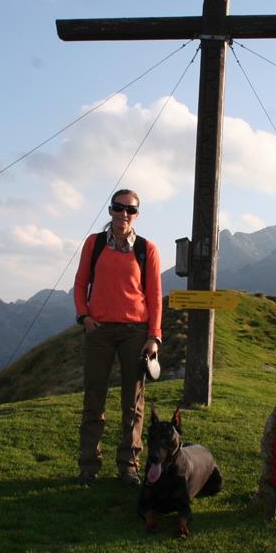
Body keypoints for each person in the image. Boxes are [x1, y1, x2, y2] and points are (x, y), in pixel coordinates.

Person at [73, 189, 162, 486]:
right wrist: (84, 316)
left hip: (135, 332)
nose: (124, 214)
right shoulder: (94, 243)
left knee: (133, 403)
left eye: (131, 210)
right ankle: (89, 465)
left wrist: (154, 336)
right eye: (119, 207)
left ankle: (129, 466)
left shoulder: (147, 249)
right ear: (110, 210)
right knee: (93, 397)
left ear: (137, 214)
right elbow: (80, 283)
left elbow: (155, 296)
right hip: (98, 330)